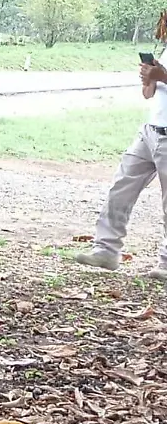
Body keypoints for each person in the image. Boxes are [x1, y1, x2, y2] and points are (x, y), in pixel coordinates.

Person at [73, 60, 167, 281]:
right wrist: (149, 79)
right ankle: (106, 251)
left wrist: (162, 76)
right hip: (150, 131)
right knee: (120, 188)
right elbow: (148, 94)